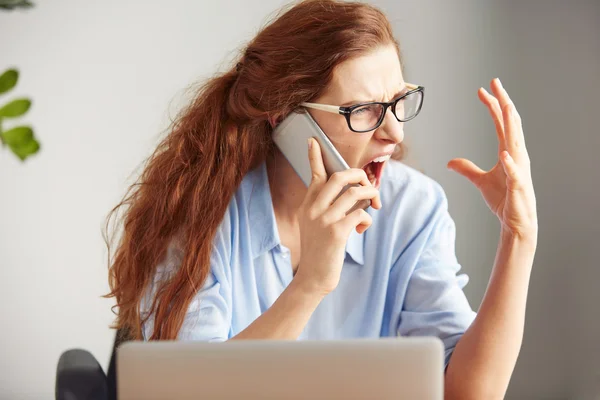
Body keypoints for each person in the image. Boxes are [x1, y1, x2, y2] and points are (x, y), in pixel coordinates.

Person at [105, 0, 538, 398]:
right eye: (363, 110)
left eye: (398, 101)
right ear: (285, 119)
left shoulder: (413, 208)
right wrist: (311, 282)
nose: (395, 133)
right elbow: (191, 394)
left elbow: (466, 395)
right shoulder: (199, 213)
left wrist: (519, 237)